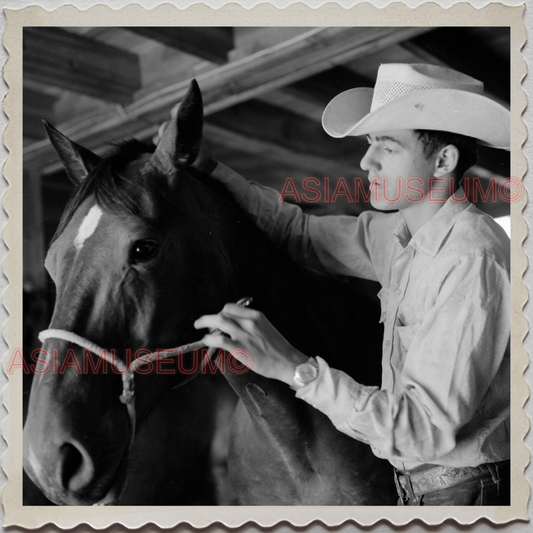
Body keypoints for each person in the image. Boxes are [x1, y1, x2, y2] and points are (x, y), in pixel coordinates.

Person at [193, 63, 511, 506]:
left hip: (472, 495)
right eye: (369, 144)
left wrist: (291, 367)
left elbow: (426, 428)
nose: (366, 161)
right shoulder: (398, 236)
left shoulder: (471, 257)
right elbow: (297, 233)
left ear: (443, 160)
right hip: (422, 492)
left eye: (387, 145)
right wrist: (205, 168)